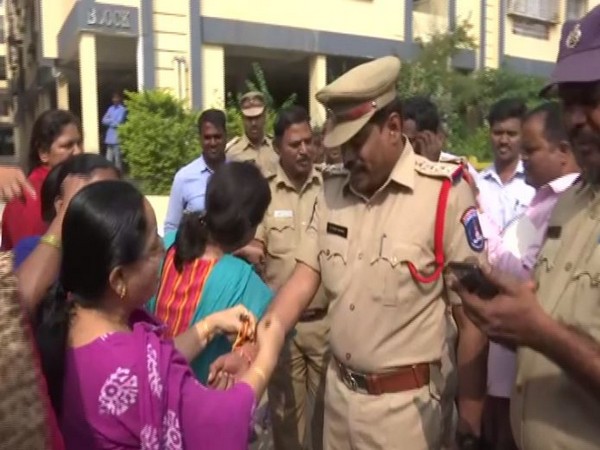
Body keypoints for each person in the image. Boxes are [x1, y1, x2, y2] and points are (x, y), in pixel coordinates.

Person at [213, 56, 488, 449]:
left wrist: (472, 414)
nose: (347, 157)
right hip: (339, 403)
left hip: (408, 415)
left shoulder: (444, 194)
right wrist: (253, 350)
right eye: (341, 145)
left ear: (393, 127)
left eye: (357, 142)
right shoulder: (331, 193)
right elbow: (300, 284)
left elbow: (473, 318)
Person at [34, 179, 285, 449]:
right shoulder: (135, 365)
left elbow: (157, 366)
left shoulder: (71, 317)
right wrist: (268, 353)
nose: (164, 250)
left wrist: (209, 326)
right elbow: (220, 420)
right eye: (153, 247)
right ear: (118, 278)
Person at [452, 7, 600, 450]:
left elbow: (551, 334)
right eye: (567, 101)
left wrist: (542, 334)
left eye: (591, 98)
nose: (575, 119)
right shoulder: (569, 203)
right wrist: (507, 321)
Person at [482, 102, 579, 450]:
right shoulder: (546, 199)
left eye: (531, 150)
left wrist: (475, 220)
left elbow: (527, 277)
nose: (523, 159)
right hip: (509, 371)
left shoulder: (565, 204)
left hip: (535, 377)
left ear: (563, 151)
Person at [149, 162, 273, 383]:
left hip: (146, 390)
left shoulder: (165, 247)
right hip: (197, 404)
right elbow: (276, 327)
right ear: (248, 226)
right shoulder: (244, 281)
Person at [255, 106, 329, 450]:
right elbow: (254, 248)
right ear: (277, 147)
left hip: (325, 326)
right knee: (286, 421)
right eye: (294, 144)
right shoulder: (265, 192)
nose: (304, 150)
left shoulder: (331, 188)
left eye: (309, 142)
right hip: (283, 330)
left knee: (328, 419)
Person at [13, 154, 119, 269]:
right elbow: (29, 286)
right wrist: (65, 209)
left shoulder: (127, 249)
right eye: (96, 198)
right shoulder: (31, 249)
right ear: (61, 205)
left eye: (116, 196)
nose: (109, 207)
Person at [1, 109, 83, 251]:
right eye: (67, 146)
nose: (78, 152)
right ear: (43, 153)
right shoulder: (33, 196)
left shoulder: (65, 186)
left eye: (79, 143)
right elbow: (31, 259)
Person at [164, 109, 228, 234]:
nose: (213, 143)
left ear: (226, 136)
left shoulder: (237, 173)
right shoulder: (184, 177)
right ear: (200, 139)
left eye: (217, 137)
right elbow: (171, 227)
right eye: (207, 138)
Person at [477, 98, 535, 230]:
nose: (503, 140)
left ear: (524, 136)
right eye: (498, 133)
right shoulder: (477, 184)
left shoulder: (535, 183)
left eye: (511, 134)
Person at [402, 96, 479, 180]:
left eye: (408, 141)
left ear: (428, 138)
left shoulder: (458, 172)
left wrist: (430, 167)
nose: (402, 147)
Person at [225, 91, 278, 174]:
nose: (253, 123)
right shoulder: (232, 152)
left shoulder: (277, 148)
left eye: (257, 117)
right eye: (249, 118)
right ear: (242, 118)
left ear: (265, 116)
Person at [101, 91, 127, 170]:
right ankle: (108, 174)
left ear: (120, 99)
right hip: (109, 138)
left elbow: (119, 123)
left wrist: (110, 121)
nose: (115, 100)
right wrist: (112, 121)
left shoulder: (122, 110)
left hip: (117, 138)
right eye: (113, 98)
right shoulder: (110, 108)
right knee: (108, 159)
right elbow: (103, 120)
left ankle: (118, 176)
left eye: (116, 98)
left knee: (117, 160)